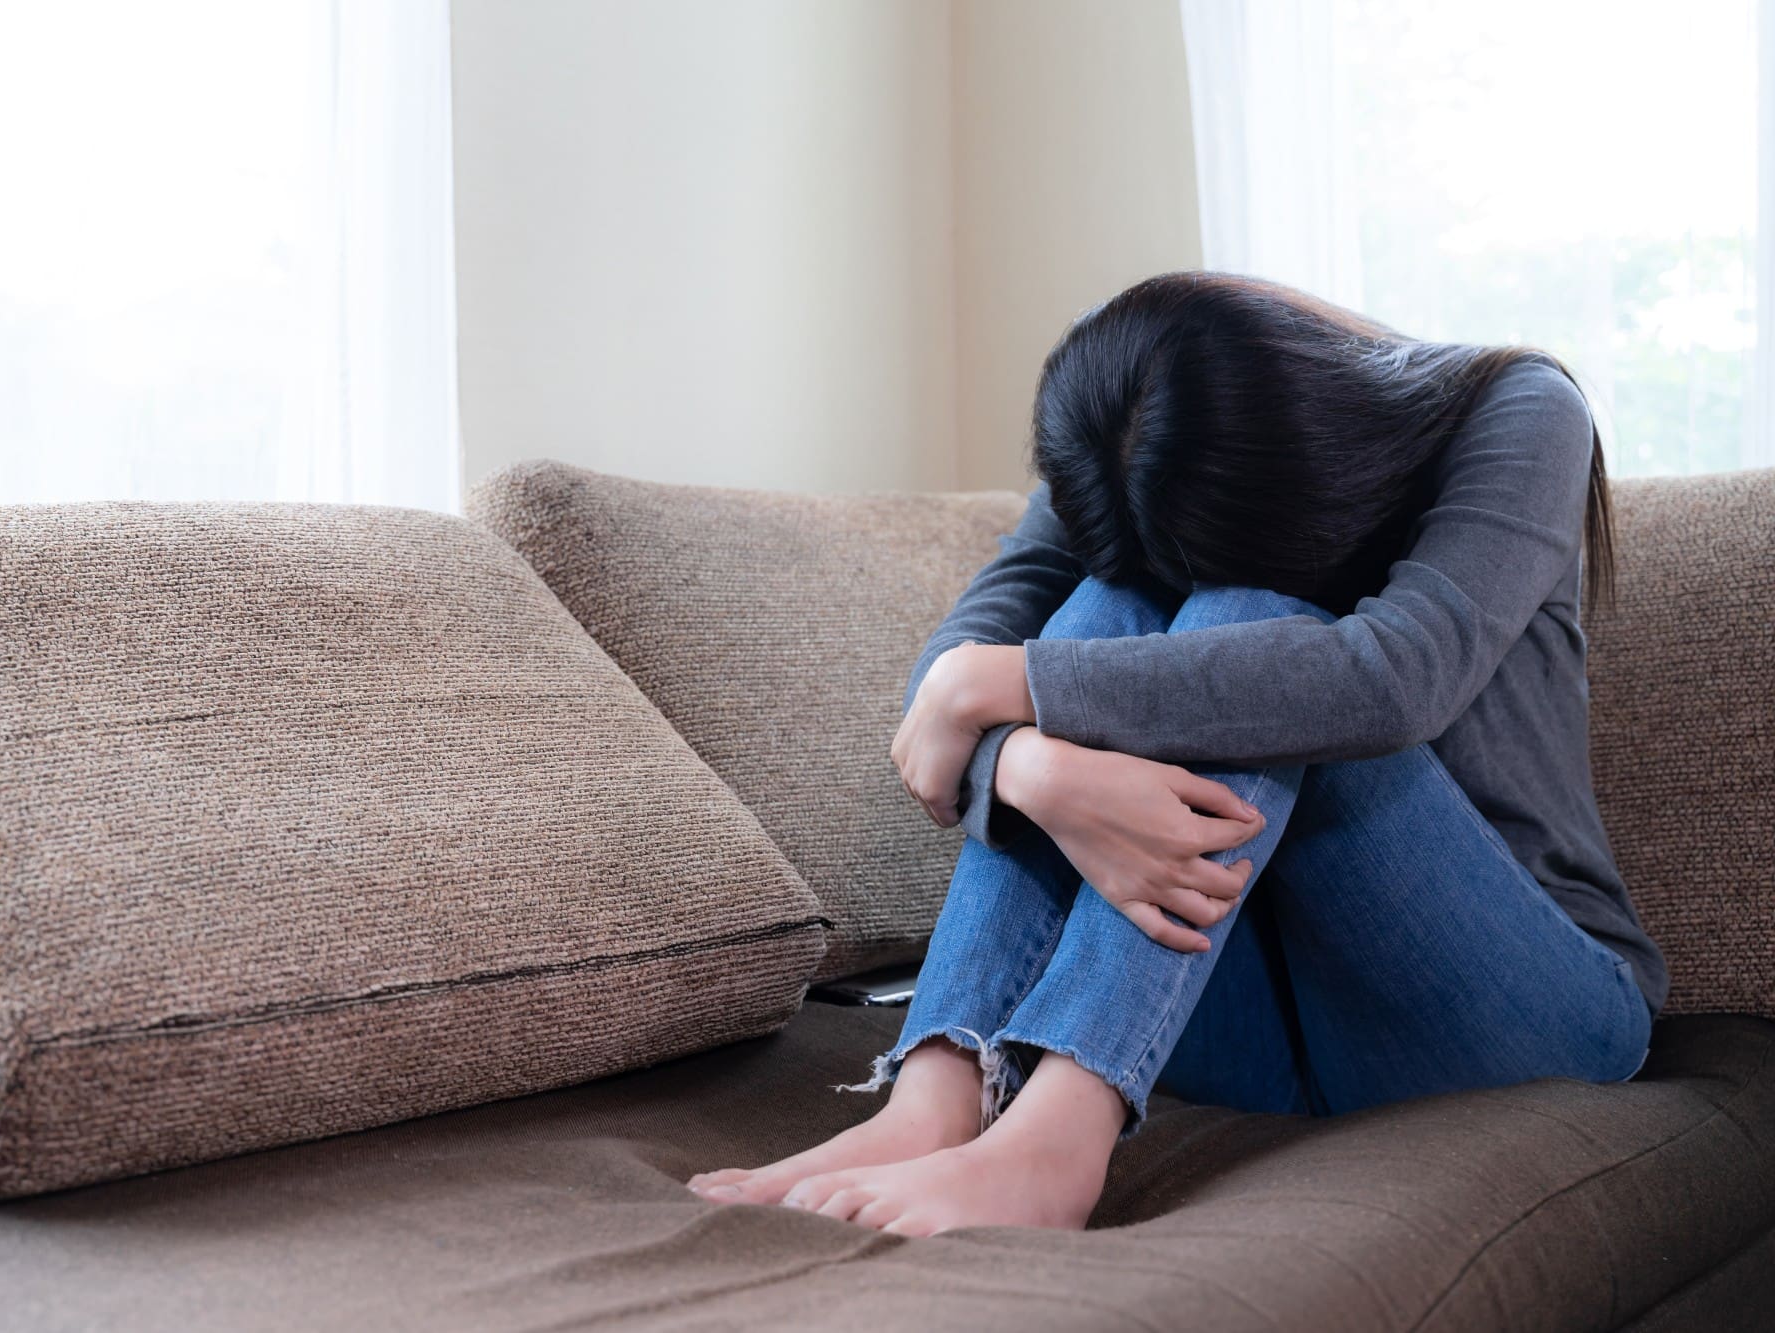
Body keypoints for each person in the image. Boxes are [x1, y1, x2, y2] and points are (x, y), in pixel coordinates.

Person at [685, 271, 1667, 1236]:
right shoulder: (1132, 412)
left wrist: (1009, 697)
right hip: (1226, 1021)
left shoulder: (1517, 409)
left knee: (1246, 619)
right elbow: (946, 693)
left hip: (1516, 1013)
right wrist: (1035, 769)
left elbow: (1391, 679)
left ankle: (1057, 1139)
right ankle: (934, 1097)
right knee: (1103, 610)